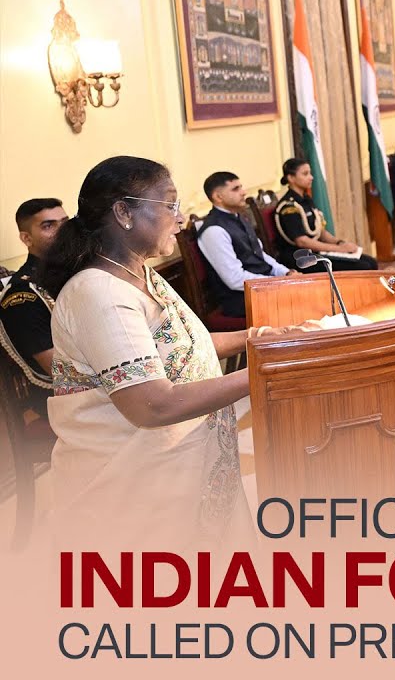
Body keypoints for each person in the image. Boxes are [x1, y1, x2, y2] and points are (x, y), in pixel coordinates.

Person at [37, 156, 313, 548]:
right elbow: (152, 405)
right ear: (123, 212)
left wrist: (261, 336)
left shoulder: (139, 273)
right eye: (170, 205)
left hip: (180, 468)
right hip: (135, 490)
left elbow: (185, 347)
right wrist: (265, 370)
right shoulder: (99, 294)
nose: (181, 219)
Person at [0, 198, 67, 410]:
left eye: (65, 223)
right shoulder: (22, 296)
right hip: (62, 399)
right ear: (26, 238)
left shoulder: (73, 270)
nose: (62, 232)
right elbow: (61, 373)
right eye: (48, 226)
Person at [197, 172, 292, 319]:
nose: (243, 192)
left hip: (264, 288)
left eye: (241, 187)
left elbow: (261, 255)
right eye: (236, 189)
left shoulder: (240, 217)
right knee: (300, 302)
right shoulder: (214, 230)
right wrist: (277, 283)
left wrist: (286, 274)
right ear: (218, 197)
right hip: (242, 300)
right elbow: (235, 279)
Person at [274, 158, 378, 271]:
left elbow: (320, 231)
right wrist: (339, 249)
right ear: (291, 178)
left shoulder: (305, 200)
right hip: (300, 258)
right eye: (305, 174)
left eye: (310, 173)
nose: (311, 177)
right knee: (363, 266)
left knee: (371, 262)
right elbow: (302, 241)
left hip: (315, 252)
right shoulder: (288, 207)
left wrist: (340, 243)